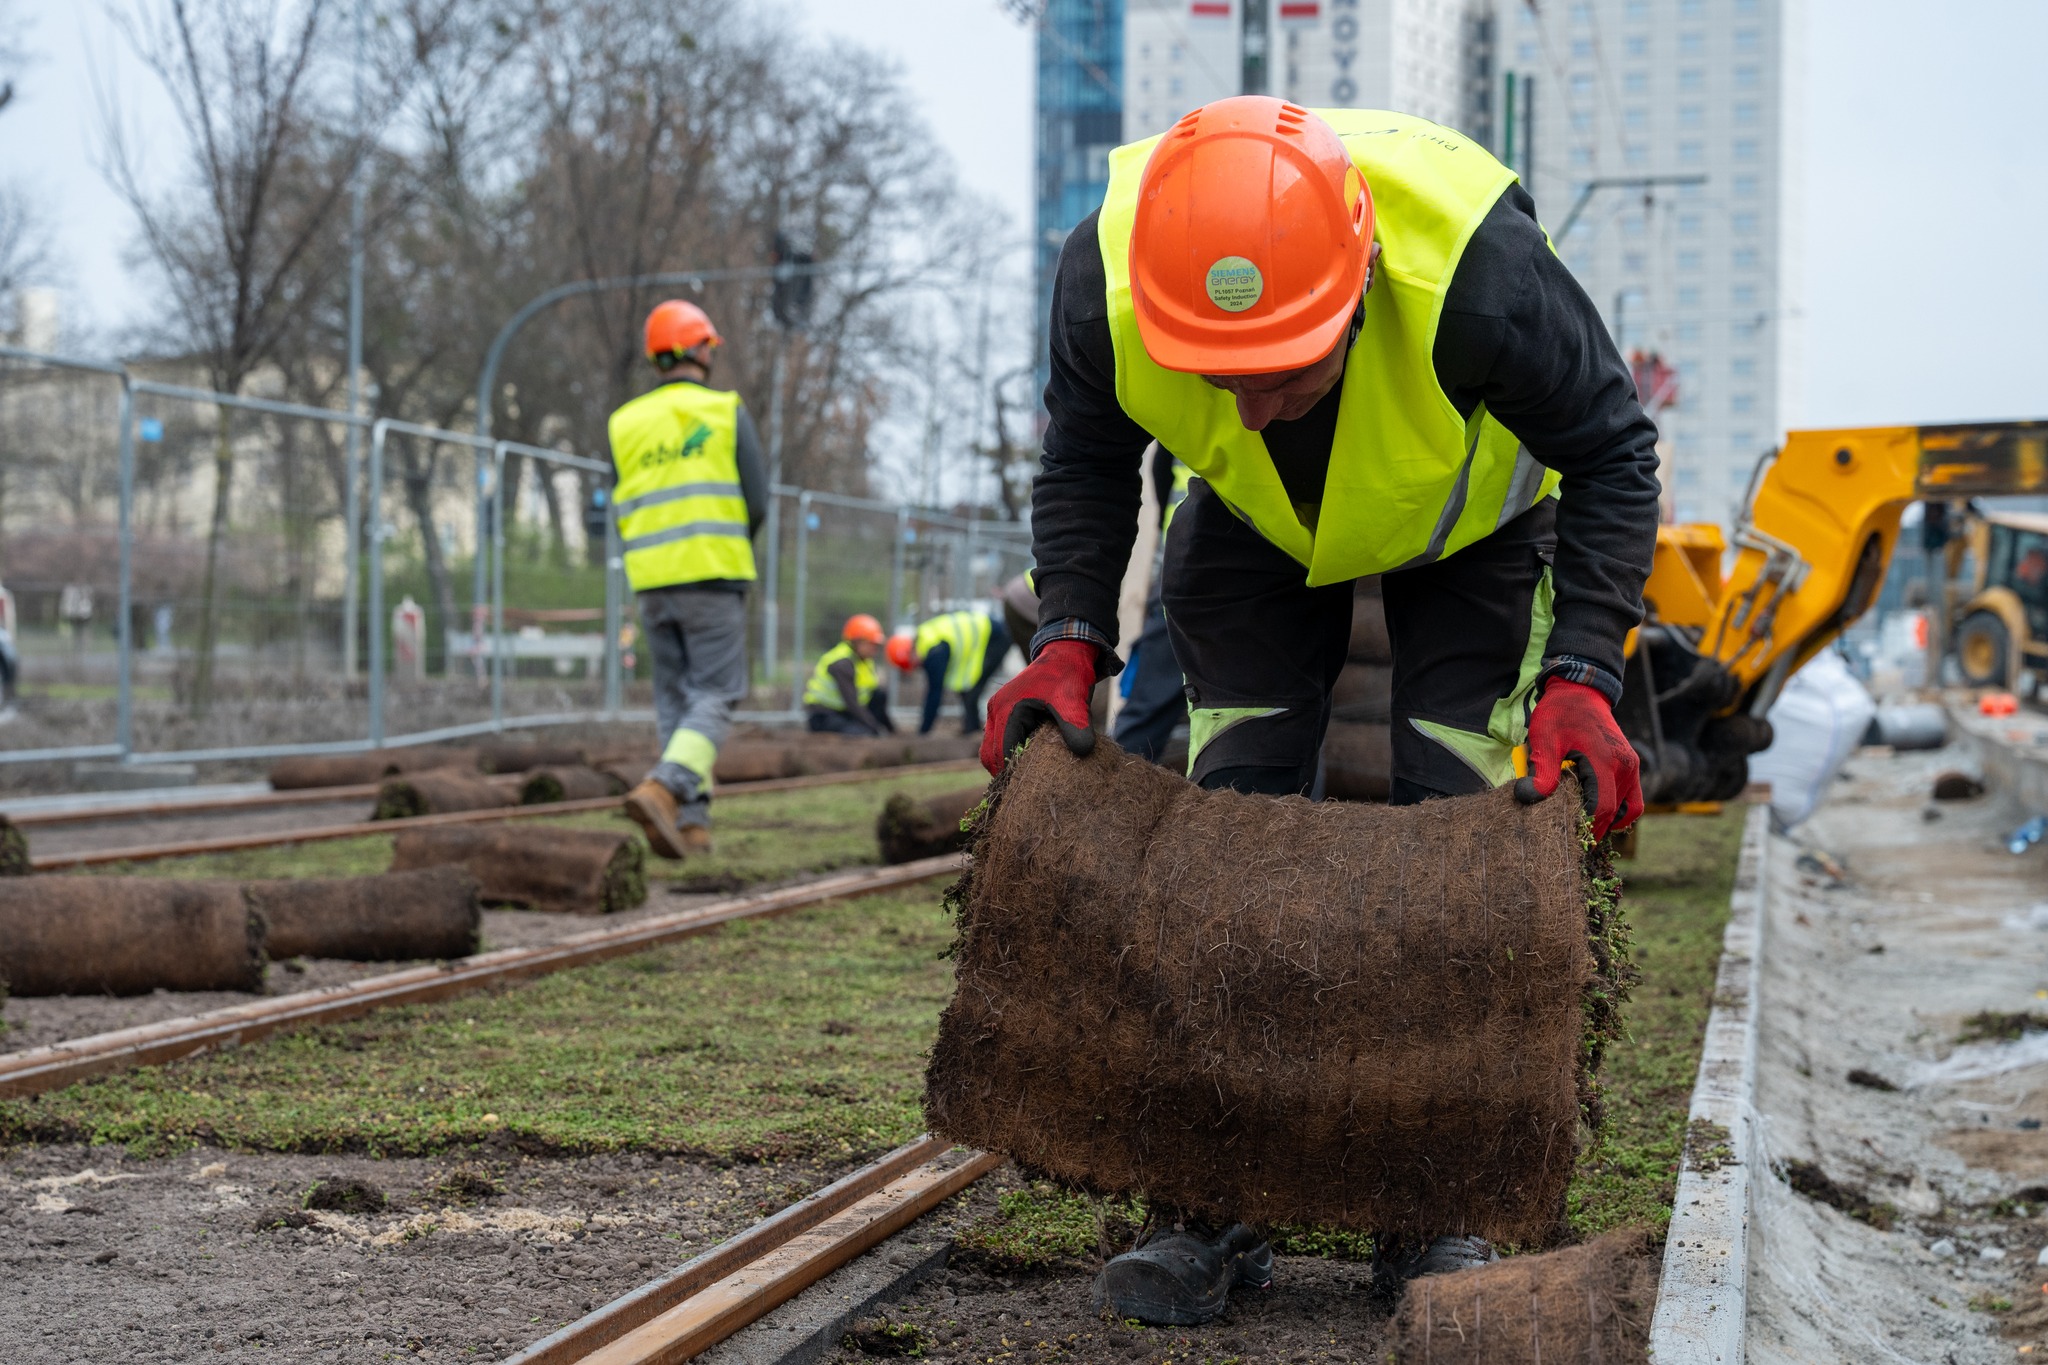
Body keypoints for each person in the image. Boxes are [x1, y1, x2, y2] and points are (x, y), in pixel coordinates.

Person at [980, 98, 1660, 1323]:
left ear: (1356, 290)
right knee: (1228, 838)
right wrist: (1069, 635)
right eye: (1218, 377)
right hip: (1248, 525)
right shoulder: (1107, 282)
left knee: (1460, 854)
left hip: (1470, 528)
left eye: (1280, 374)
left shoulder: (1480, 275)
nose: (1246, 408)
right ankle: (1210, 1197)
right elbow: (1085, 457)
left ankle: (1442, 1201)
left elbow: (1614, 452)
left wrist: (1581, 675)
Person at [613, 300, 768, 860]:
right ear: (700, 349)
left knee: (676, 701)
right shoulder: (725, 411)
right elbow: (757, 501)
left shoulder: (625, 422)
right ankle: (664, 788)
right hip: (712, 575)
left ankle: (692, 824)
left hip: (652, 581)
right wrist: (727, 544)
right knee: (717, 694)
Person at [1110, 447, 1193, 764]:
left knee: (1145, 710)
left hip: (1186, 563)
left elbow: (1160, 473)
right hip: (1190, 565)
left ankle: (1116, 779)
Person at [885, 607, 1011, 735]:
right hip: (988, 633)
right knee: (967, 688)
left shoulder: (934, 652)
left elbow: (935, 693)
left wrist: (924, 731)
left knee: (972, 690)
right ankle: (972, 729)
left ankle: (974, 731)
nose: (916, 667)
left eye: (912, 664)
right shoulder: (925, 638)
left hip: (995, 637)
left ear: (910, 653)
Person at [804, 614, 897, 735]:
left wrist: (890, 729)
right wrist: (874, 728)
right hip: (824, 715)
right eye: (871, 644)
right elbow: (852, 703)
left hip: (844, 712)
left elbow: (871, 695)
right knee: (862, 733)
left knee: (879, 695)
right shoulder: (842, 663)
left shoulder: (864, 661)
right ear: (857, 641)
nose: (875, 649)